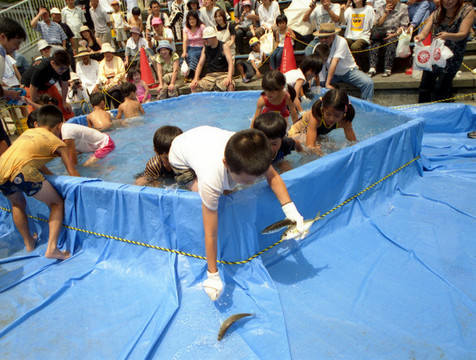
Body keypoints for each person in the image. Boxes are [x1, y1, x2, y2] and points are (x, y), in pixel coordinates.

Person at [168, 126, 305, 301]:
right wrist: (213, 275)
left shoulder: (254, 151)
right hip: (181, 155)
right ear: (226, 163)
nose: (252, 183)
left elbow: (274, 177)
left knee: (230, 190)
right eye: (247, 180)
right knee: (209, 193)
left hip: (203, 138)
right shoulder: (211, 179)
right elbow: (210, 233)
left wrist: (291, 211)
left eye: (256, 177)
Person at [0, 105, 80, 260]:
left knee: (17, 204)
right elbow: (72, 172)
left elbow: (33, 158)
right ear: (59, 126)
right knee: (56, 203)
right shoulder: (58, 142)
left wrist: (50, 177)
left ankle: (29, 243)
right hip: (22, 172)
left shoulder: (28, 133)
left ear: (37, 123)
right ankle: (52, 249)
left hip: (1, 170)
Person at [415, 0, 474, 103]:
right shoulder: (437, 12)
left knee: (441, 89)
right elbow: (424, 32)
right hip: (435, 54)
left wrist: (447, 36)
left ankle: (443, 115)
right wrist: (420, 36)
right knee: (424, 87)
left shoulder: (467, 11)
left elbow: (463, 34)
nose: (448, 1)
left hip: (452, 56)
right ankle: (423, 113)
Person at [27, 109, 114, 167]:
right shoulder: (59, 131)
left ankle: (108, 168)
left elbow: (73, 159)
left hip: (105, 143)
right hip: (95, 145)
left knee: (87, 165)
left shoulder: (66, 133)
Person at [316, 23, 374, 101]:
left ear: (333, 36)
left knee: (368, 83)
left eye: (326, 37)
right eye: (321, 37)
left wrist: (327, 83)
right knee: (315, 83)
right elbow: (320, 65)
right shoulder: (319, 46)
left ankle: (367, 106)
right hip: (333, 74)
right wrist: (321, 83)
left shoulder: (341, 41)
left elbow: (334, 62)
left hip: (348, 72)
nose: (323, 40)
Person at [288, 88, 356, 152]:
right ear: (323, 109)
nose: (331, 119)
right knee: (316, 150)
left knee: (333, 146)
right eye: (328, 114)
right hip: (294, 135)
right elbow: (310, 146)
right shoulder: (315, 117)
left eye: (337, 116)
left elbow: (354, 143)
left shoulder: (345, 120)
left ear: (344, 112)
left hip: (316, 134)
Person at [21, 50, 75, 120]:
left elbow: (64, 84)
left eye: (66, 68)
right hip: (30, 88)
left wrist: (64, 101)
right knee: (39, 113)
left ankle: (68, 124)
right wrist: (36, 105)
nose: (64, 71)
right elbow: (33, 88)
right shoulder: (41, 68)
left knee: (64, 108)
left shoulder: (64, 67)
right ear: (53, 63)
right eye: (61, 68)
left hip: (48, 85)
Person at [367, 0, 409, 77]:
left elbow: (404, 25)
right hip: (381, 33)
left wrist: (394, 34)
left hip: (395, 33)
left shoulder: (403, 7)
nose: (390, 1)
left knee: (391, 42)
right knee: (374, 42)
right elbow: (376, 24)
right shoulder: (380, 8)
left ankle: (387, 68)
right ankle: (372, 68)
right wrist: (385, 14)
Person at [190, 26, 235, 93]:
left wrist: (229, 77)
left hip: (223, 74)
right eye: (204, 39)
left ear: (213, 37)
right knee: (194, 86)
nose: (205, 41)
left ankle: (230, 102)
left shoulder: (224, 46)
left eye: (207, 39)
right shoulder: (205, 48)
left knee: (230, 85)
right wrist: (195, 78)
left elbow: (230, 62)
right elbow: (200, 64)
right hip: (210, 76)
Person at [339, 0, 375, 67]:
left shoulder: (369, 9)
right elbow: (342, 21)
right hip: (349, 36)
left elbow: (372, 25)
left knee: (355, 47)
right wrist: (341, 11)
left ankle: (357, 66)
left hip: (363, 36)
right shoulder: (349, 9)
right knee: (341, 43)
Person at [98, 42, 125, 109]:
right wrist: (105, 80)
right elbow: (101, 75)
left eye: (108, 52)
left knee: (115, 95)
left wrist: (116, 78)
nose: (107, 54)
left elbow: (122, 72)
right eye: (105, 53)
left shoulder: (118, 59)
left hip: (117, 82)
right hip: (107, 83)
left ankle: (118, 109)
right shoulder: (102, 62)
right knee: (105, 96)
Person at [182, 11, 206, 80]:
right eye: (190, 19)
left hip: (200, 48)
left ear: (196, 19)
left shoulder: (202, 27)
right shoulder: (186, 29)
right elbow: (185, 40)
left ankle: (195, 75)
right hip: (190, 48)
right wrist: (184, 52)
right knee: (183, 58)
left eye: (193, 19)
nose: (191, 21)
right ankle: (186, 75)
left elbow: (206, 39)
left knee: (193, 56)